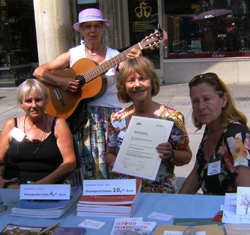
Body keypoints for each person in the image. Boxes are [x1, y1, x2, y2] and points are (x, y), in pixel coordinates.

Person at [33, 8, 141, 180]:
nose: (92, 30)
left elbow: (131, 75)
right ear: (81, 31)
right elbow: (39, 71)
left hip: (108, 116)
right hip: (78, 118)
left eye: (97, 26)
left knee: (111, 164)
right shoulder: (74, 54)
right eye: (88, 26)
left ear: (103, 29)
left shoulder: (115, 56)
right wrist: (60, 82)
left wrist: (134, 61)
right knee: (83, 163)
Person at [105, 57, 192, 193]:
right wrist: (115, 162)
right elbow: (109, 154)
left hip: (160, 192)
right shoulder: (116, 119)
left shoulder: (172, 118)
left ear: (152, 82)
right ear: (124, 86)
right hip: (126, 191)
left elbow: (187, 156)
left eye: (143, 78)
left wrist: (172, 153)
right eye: (131, 80)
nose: (137, 85)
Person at [179, 72, 250, 195]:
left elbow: (246, 193)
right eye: (195, 101)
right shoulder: (210, 130)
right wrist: (175, 204)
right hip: (211, 211)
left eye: (207, 99)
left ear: (224, 100)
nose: (201, 106)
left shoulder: (235, 135)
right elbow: (196, 175)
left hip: (230, 213)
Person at [0, 79, 76, 189]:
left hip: (48, 186)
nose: (34, 105)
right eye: (28, 101)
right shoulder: (11, 125)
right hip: (14, 185)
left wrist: (39, 185)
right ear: (21, 103)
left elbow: (70, 162)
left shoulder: (58, 124)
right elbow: (1, 159)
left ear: (47, 100)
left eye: (38, 100)